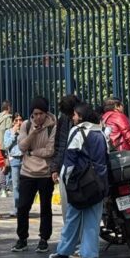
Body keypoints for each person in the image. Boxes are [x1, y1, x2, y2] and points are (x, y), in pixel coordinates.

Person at [49, 102, 109, 258]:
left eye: (75, 115)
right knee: (93, 221)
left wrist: (65, 181)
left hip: (80, 183)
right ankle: (89, 256)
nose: (73, 117)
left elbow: (70, 160)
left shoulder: (77, 131)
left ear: (81, 116)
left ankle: (63, 252)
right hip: (99, 183)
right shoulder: (101, 132)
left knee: (72, 218)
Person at [11, 98, 56, 253]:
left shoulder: (52, 126)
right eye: (35, 114)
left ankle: (44, 239)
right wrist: (33, 133)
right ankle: (22, 238)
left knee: (45, 207)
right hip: (27, 172)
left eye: (41, 114)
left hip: (45, 173)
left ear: (46, 113)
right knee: (23, 206)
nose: (38, 117)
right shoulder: (26, 125)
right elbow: (22, 147)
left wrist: (32, 152)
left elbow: (50, 151)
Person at [51, 94, 80, 222]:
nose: (71, 117)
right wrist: (55, 167)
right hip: (66, 166)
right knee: (67, 204)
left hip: (83, 168)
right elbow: (60, 144)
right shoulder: (64, 119)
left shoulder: (87, 117)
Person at [4, 113, 24, 215]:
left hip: (25, 159)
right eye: (16, 120)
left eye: (20, 120)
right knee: (16, 185)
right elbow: (6, 145)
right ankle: (17, 209)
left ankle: (24, 208)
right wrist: (13, 134)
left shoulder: (25, 131)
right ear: (12, 122)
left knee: (25, 185)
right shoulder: (8, 132)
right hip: (14, 160)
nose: (18, 122)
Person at [0, 100, 14, 196]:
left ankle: (3, 188)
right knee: (8, 165)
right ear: (8, 108)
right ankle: (8, 186)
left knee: (1, 167)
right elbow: (9, 132)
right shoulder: (8, 118)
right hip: (6, 145)